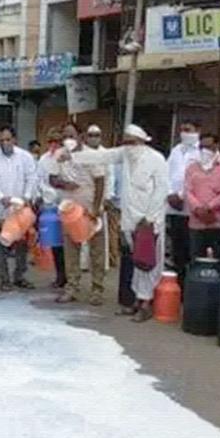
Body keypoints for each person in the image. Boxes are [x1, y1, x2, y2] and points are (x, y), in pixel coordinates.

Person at [66, 124, 170, 322]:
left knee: (147, 263)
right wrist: (72, 156)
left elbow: (161, 190)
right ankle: (137, 301)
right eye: (125, 143)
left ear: (141, 142)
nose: (128, 147)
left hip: (149, 222)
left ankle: (146, 304)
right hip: (130, 219)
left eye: (131, 143)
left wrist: (149, 218)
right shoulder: (125, 155)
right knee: (136, 263)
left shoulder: (156, 159)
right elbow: (101, 156)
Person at [48, 127, 107, 305]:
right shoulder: (59, 154)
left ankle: (97, 289)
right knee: (71, 252)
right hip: (70, 211)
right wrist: (64, 184)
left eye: (71, 136)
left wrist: (96, 208)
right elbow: (52, 179)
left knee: (96, 253)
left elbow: (100, 181)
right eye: (64, 136)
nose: (68, 139)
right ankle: (72, 287)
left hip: (90, 210)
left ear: (80, 137)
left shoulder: (91, 155)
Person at [0, 127, 37, 291]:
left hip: (21, 208)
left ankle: (19, 275)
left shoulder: (25, 157)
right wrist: (0, 197)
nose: (5, 143)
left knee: (21, 243)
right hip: (0, 207)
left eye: (8, 139)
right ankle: (4, 278)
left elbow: (32, 177)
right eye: (1, 140)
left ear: (14, 139)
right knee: (0, 243)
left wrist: (27, 196)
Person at [166, 120, 201, 283]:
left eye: (188, 129)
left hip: (191, 210)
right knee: (177, 250)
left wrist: (182, 196)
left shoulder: (201, 152)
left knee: (190, 250)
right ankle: (178, 286)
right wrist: (169, 194)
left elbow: (199, 180)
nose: (184, 133)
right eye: (182, 130)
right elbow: (166, 174)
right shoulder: (176, 151)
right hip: (173, 208)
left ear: (197, 130)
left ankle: (189, 287)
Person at [185, 133, 220, 258]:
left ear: (217, 146)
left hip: (217, 222)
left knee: (219, 261)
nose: (205, 150)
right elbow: (188, 191)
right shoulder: (192, 168)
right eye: (202, 147)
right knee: (195, 259)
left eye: (209, 146)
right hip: (196, 222)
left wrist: (210, 207)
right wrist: (198, 209)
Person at [36, 130, 67, 289]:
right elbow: (39, 180)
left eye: (57, 141)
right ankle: (60, 276)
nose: (54, 145)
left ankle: (71, 277)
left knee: (70, 243)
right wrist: (44, 196)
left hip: (67, 205)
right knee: (55, 243)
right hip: (50, 205)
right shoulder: (43, 159)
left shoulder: (67, 158)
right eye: (51, 141)